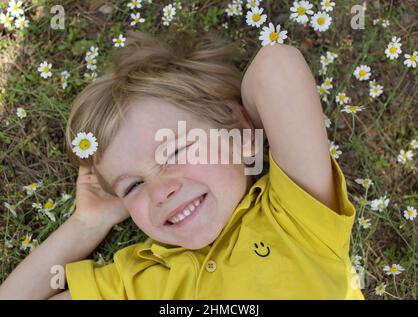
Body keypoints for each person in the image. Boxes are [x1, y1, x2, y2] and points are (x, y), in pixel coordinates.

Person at [0, 30, 364, 300]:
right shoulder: (139, 280)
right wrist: (86, 224)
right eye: (133, 186)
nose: (162, 189)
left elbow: (277, 68)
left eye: (174, 152)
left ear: (240, 133)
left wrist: (242, 142)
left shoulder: (294, 218)